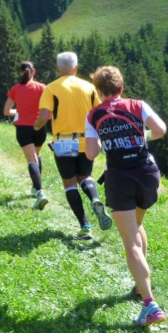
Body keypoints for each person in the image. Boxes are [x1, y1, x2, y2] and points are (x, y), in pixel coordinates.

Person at [85, 66, 167, 327]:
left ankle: (150, 304)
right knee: (137, 225)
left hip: (119, 178)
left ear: (99, 91)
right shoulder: (138, 105)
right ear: (120, 88)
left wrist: (102, 140)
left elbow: (91, 154)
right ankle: (140, 286)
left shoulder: (93, 114)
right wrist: (144, 136)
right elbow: (161, 129)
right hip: (147, 174)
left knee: (130, 241)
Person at [33, 52, 111, 240]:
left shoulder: (51, 88)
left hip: (64, 140)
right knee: (85, 176)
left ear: (57, 68)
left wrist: (36, 127)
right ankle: (94, 198)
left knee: (69, 183)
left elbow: (43, 116)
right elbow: (100, 112)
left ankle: (85, 225)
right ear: (76, 68)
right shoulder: (89, 87)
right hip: (87, 139)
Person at [4, 61, 48, 210]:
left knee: (31, 159)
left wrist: (19, 111)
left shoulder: (15, 89)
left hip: (23, 128)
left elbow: (6, 111)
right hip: (39, 127)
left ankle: (40, 192)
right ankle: (36, 187)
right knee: (37, 155)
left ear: (20, 73)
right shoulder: (42, 88)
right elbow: (49, 108)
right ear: (33, 72)